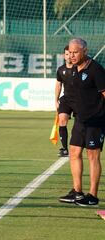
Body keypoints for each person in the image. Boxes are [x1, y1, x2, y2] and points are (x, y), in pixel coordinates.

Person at [59, 38, 105, 206]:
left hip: (96, 120)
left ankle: (92, 195)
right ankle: (77, 191)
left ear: (84, 51)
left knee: (93, 155)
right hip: (81, 120)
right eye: (70, 52)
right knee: (74, 152)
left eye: (75, 52)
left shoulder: (96, 70)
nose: (72, 55)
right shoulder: (73, 70)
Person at [55, 45, 75, 157]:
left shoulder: (79, 69)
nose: (69, 56)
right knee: (62, 120)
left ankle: (77, 145)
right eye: (67, 54)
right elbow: (58, 85)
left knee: (79, 124)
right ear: (64, 56)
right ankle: (64, 148)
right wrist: (56, 100)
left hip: (79, 100)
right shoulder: (60, 70)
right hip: (66, 99)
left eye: (71, 54)